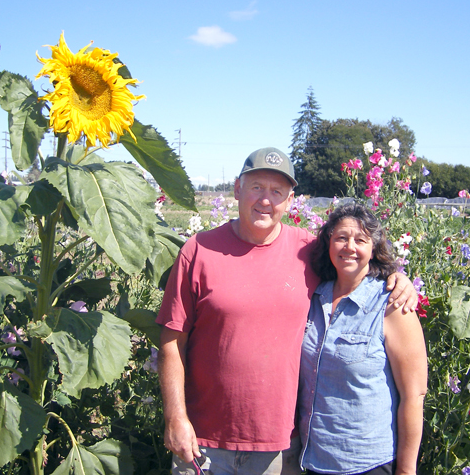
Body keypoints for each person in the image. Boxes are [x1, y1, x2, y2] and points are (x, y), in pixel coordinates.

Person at [156, 147, 419, 475]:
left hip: (279, 448)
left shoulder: (308, 251)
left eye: (277, 191)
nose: (266, 200)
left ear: (290, 200)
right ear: (237, 189)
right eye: (256, 187)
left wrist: (396, 277)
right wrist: (175, 417)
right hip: (203, 441)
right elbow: (171, 342)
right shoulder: (199, 249)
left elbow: (354, 262)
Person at [298, 203, 428, 475]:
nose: (350, 247)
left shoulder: (392, 305)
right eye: (341, 238)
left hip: (366, 463)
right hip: (313, 459)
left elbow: (414, 395)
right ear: (329, 243)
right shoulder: (313, 296)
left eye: (360, 240)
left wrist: (406, 470)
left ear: (373, 248)